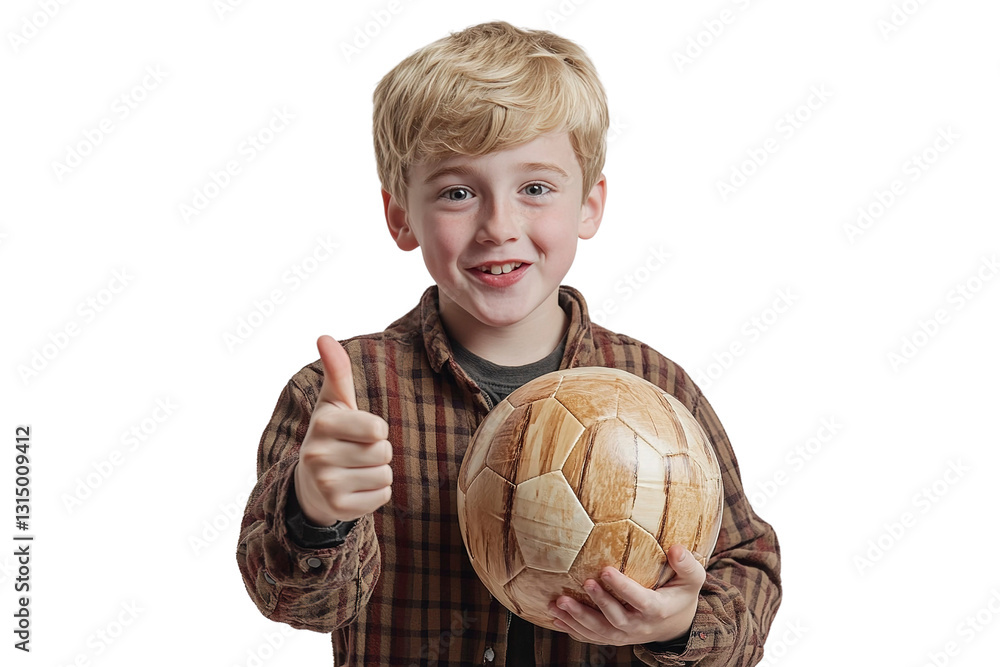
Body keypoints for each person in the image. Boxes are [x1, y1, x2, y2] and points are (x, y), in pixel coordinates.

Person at [236, 21, 781, 666]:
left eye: (536, 188)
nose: (499, 226)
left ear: (590, 205)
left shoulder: (657, 391)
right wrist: (315, 514)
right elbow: (297, 604)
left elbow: (749, 569)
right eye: (458, 192)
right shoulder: (345, 397)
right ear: (399, 215)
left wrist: (679, 626)